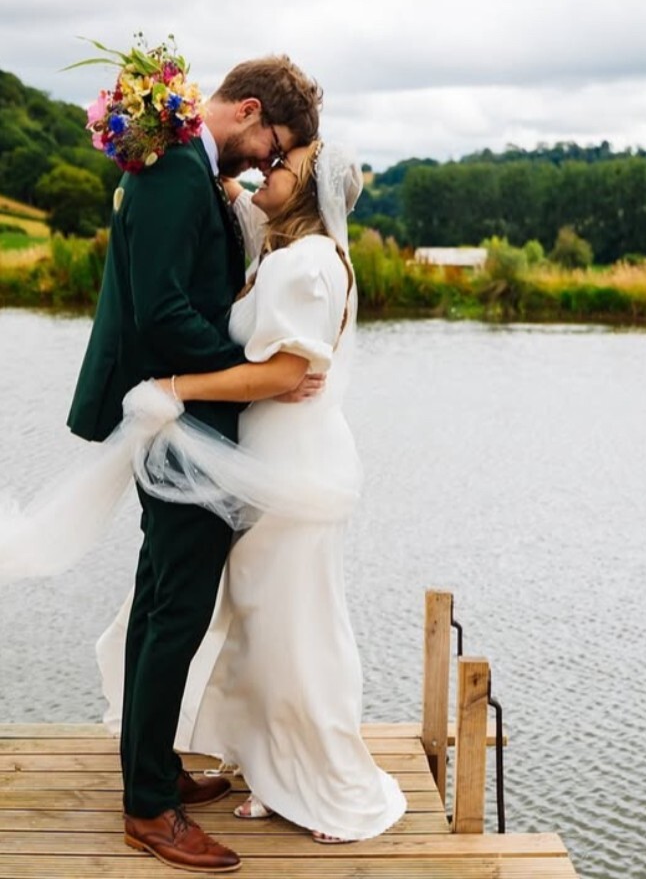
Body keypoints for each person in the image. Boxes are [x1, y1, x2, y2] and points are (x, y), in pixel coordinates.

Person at [96, 139, 407, 845]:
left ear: (306, 191)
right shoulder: (289, 248)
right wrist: (217, 178)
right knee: (261, 627)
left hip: (288, 473)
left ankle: (323, 782)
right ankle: (273, 770)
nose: (264, 172)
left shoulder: (303, 264)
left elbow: (276, 374)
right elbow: (248, 203)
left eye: (282, 166)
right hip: (261, 467)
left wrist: (174, 388)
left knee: (297, 625)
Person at [66, 56, 323, 875]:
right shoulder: (179, 171)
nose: (269, 162)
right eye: (274, 143)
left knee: (159, 599)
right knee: (175, 608)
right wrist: (246, 380)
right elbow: (165, 308)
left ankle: (153, 766)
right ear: (250, 111)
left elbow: (175, 293)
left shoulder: (181, 164)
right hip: (183, 421)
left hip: (174, 412)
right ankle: (148, 807)